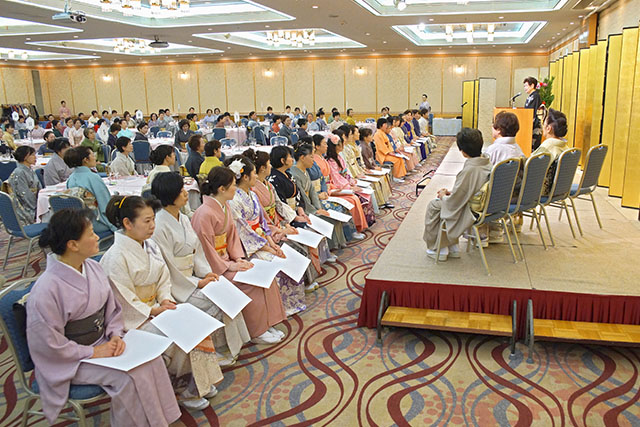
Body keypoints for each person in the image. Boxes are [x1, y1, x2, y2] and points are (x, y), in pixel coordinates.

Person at [26, 208, 181, 426]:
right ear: (73, 244)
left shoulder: (93, 268)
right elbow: (48, 345)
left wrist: (116, 335)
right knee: (127, 378)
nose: (97, 236)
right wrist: (93, 351)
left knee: (151, 360)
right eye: (90, 233)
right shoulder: (46, 290)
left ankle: (160, 421)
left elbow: (113, 309)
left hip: (104, 342)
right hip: (70, 358)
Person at [100, 195, 222, 411]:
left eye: (152, 220)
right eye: (146, 221)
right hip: (134, 320)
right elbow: (123, 298)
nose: (152, 226)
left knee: (195, 322)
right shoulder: (115, 257)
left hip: (157, 306)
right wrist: (154, 309)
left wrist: (165, 298)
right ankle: (183, 388)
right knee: (179, 333)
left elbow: (163, 276)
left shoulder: (149, 246)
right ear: (127, 223)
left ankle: (199, 382)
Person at [151, 172, 250, 365]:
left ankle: (233, 345)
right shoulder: (160, 226)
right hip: (178, 285)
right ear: (170, 195)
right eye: (180, 191)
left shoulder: (183, 219)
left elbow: (197, 252)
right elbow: (168, 266)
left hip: (194, 276)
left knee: (226, 290)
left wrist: (206, 273)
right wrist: (198, 282)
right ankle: (219, 350)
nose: (186, 193)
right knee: (217, 303)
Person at [191, 166, 286, 344]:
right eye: (234, 185)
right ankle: (256, 331)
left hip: (228, 259)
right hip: (215, 267)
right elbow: (205, 249)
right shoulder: (203, 214)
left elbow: (233, 236)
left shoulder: (225, 206)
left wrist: (239, 258)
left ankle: (268, 323)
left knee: (266, 276)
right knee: (250, 284)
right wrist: (229, 265)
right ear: (222, 189)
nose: (236, 188)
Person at [227, 155, 308, 316]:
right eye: (253, 174)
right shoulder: (234, 200)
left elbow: (263, 222)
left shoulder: (253, 194)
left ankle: (291, 302)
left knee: (285, 255)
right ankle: (280, 307)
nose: (256, 176)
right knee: (276, 263)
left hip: (262, 238)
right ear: (245, 177)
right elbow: (244, 230)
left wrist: (272, 243)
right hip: (248, 246)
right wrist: (267, 247)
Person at [423, 128, 491, 261]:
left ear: (463, 151)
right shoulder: (486, 162)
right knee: (443, 204)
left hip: (470, 208)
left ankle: (439, 249)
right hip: (482, 203)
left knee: (434, 206)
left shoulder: (471, 169)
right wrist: (452, 193)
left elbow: (455, 201)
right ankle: (452, 246)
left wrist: (444, 195)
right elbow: (467, 189)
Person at [326, 134, 374, 232]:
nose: (343, 145)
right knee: (357, 198)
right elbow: (336, 178)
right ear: (337, 146)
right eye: (341, 144)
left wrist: (352, 182)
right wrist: (348, 187)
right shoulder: (330, 161)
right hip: (338, 187)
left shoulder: (339, 157)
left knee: (366, 192)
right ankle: (357, 226)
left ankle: (366, 222)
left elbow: (345, 172)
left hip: (345, 183)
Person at [64, 146, 116, 233]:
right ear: (86, 160)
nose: (95, 158)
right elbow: (106, 206)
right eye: (93, 155)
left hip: (78, 222)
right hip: (96, 222)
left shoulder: (71, 178)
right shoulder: (93, 178)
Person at [531, 108, 570, 196]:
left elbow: (530, 165)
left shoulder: (548, 146)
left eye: (543, 124)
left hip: (542, 191)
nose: (542, 126)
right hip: (559, 190)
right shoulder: (564, 146)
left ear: (548, 128)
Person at [7, 145, 41, 225]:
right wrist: (38, 206)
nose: (35, 157)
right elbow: (25, 195)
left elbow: (39, 187)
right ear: (25, 157)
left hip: (34, 202)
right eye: (32, 155)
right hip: (26, 208)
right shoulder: (19, 173)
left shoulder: (29, 169)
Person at [523, 76, 543, 150]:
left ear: (532, 85)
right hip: (529, 124)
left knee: (534, 146)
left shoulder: (536, 96)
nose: (525, 88)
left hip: (535, 125)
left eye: (526, 85)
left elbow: (533, 111)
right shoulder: (530, 96)